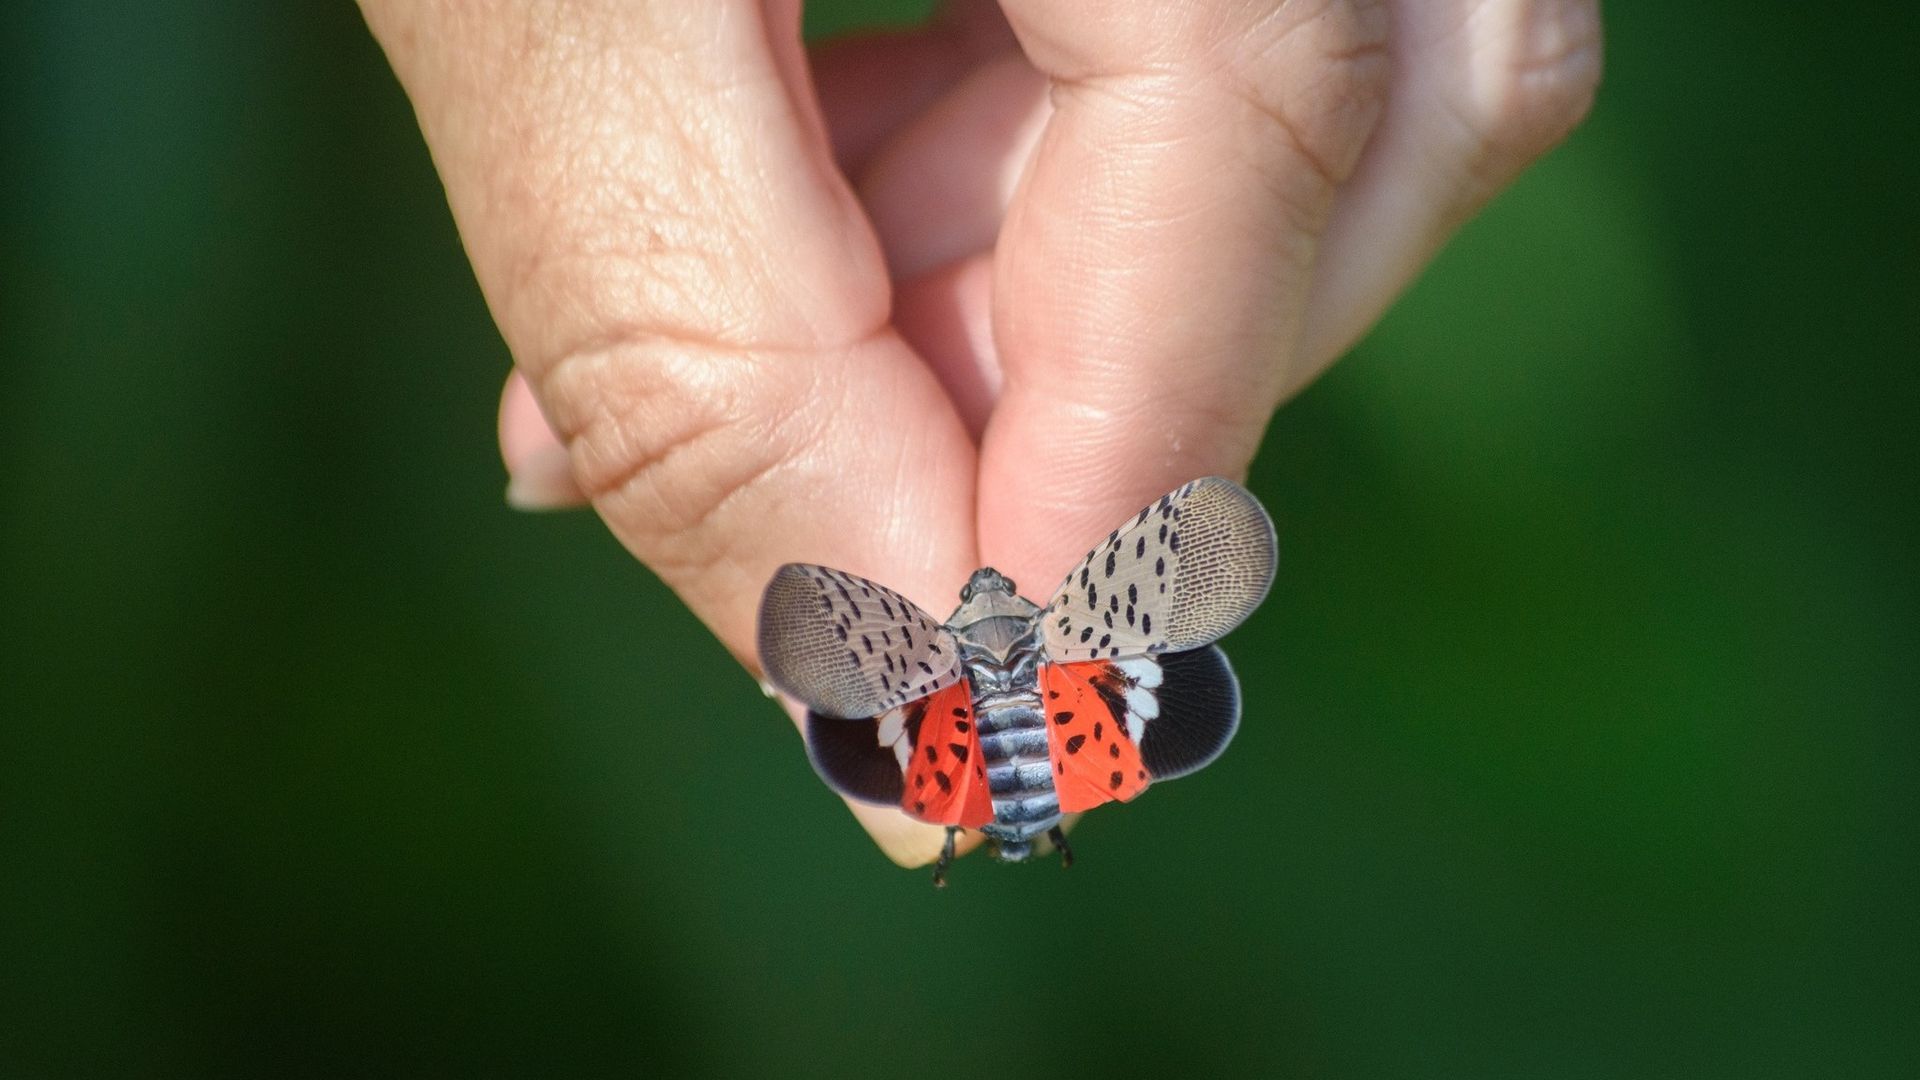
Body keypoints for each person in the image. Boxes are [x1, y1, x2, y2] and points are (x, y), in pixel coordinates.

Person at [359, 0, 1600, 866]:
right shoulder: (1057, 626)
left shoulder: (939, 645)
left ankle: (982, 797)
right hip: (1053, 687)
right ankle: (1045, 789)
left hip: (945, 702)